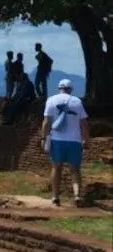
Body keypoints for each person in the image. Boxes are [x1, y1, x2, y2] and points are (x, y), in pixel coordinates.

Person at [41, 79, 89, 207]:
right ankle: (77, 195)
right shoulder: (77, 102)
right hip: (74, 141)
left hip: (57, 140)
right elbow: (84, 124)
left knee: (56, 168)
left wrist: (43, 138)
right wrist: (86, 139)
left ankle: (55, 197)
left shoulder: (51, 100)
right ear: (71, 89)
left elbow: (46, 122)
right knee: (75, 170)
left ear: (59, 88)